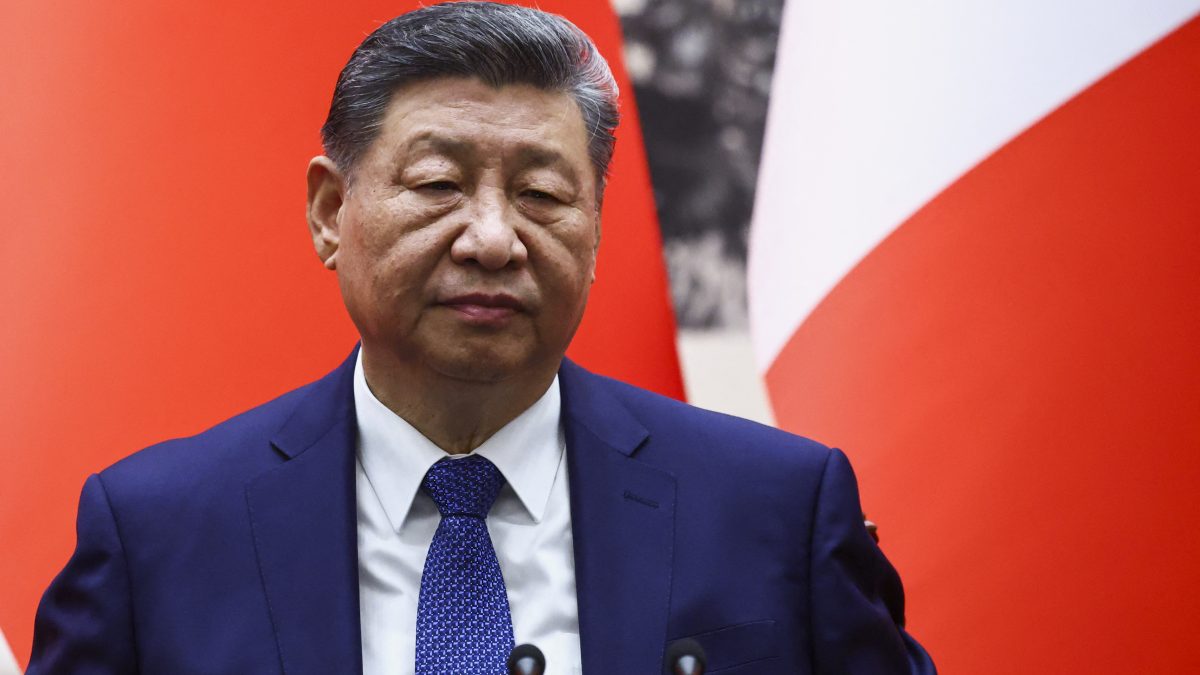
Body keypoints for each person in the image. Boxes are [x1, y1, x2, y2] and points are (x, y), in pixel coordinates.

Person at [27, 2, 935, 673]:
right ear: (331, 212)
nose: (494, 237)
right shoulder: (156, 536)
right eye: (437, 184)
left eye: (541, 194)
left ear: (595, 228)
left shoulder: (777, 511)